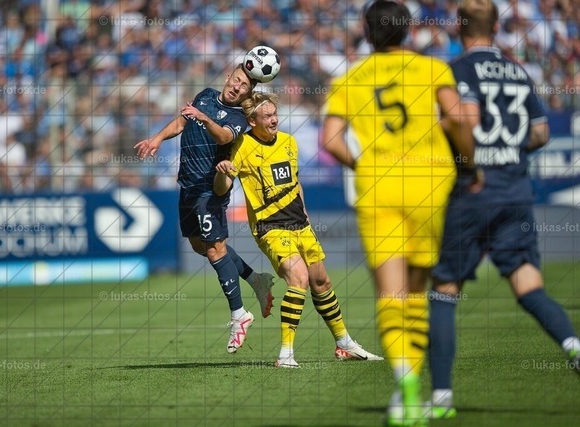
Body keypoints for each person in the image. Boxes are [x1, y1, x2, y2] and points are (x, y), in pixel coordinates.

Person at [321, 1, 480, 425]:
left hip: (379, 186)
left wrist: (362, 165)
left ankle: (405, 384)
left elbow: (331, 140)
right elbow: (458, 118)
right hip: (429, 183)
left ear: (366, 31)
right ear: (408, 30)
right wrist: (470, 165)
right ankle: (416, 388)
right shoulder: (432, 69)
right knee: (416, 292)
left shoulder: (349, 77)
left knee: (390, 295)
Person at [426, 0, 580, 419]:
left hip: (474, 191)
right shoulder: (517, 71)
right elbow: (542, 132)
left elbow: (464, 120)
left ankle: (441, 397)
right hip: (516, 193)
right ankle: (573, 345)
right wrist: (510, 149)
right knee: (529, 286)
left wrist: (474, 160)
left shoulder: (456, 71)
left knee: (444, 291)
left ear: (459, 27)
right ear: (496, 27)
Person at [213, 91, 383, 368]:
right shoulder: (241, 146)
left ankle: (344, 344)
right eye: (267, 116)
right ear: (252, 121)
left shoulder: (289, 142)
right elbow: (221, 189)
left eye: (274, 114)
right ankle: (286, 354)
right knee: (299, 278)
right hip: (270, 227)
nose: (274, 120)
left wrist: (304, 213)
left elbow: (295, 182)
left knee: (321, 282)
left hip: (300, 224)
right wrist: (222, 173)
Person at [135, 64, 275, 354]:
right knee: (200, 246)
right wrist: (157, 138)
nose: (237, 87)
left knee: (214, 249)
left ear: (248, 93)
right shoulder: (205, 96)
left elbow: (223, 137)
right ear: (228, 76)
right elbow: (181, 123)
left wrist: (204, 118)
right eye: (236, 80)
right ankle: (255, 279)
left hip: (210, 190)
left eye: (244, 87)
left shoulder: (239, 117)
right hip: (187, 185)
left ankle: (239, 314)